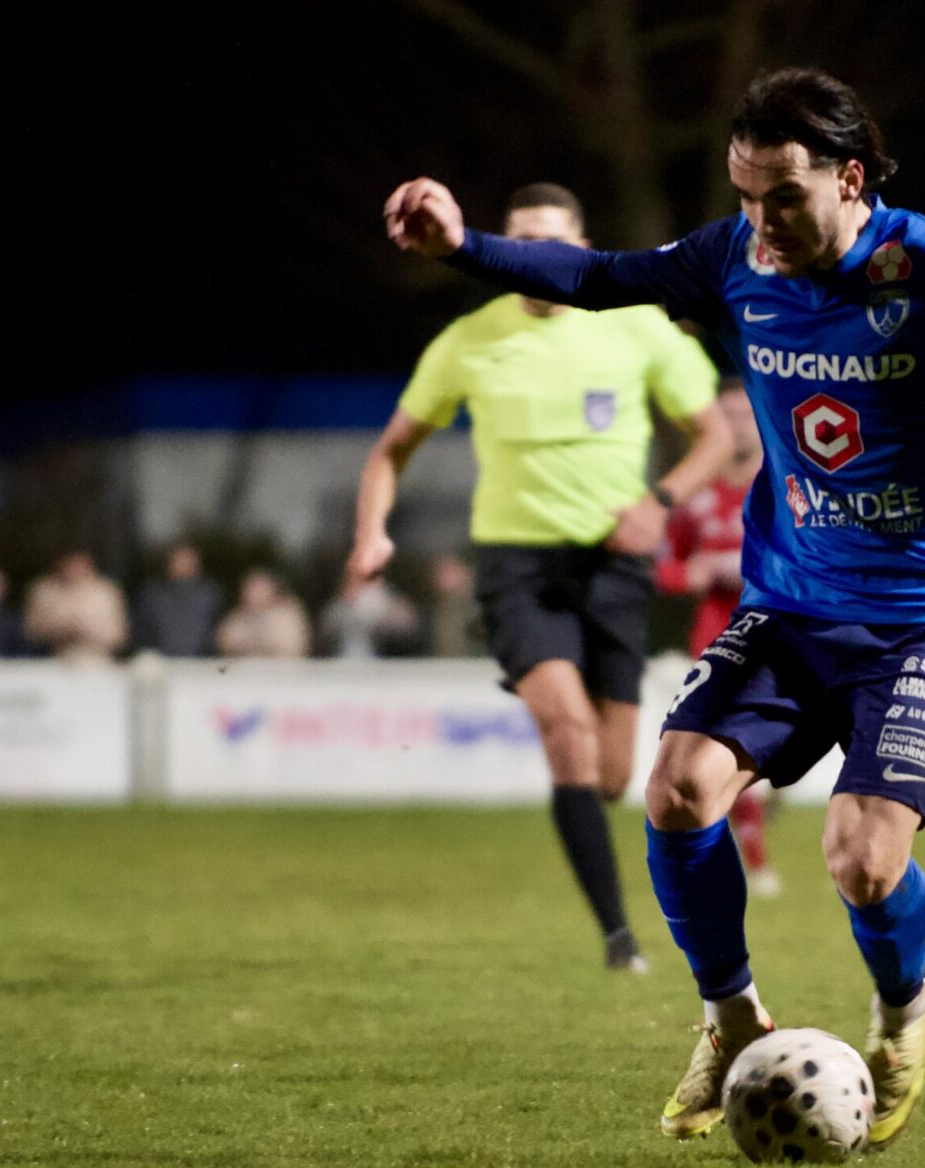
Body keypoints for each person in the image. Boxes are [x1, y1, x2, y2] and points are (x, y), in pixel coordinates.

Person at [384, 67, 925, 1147]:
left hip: (924, 612)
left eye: (781, 194)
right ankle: (728, 1013)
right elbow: (597, 272)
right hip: (790, 602)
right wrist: (463, 246)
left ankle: (903, 1009)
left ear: (848, 178)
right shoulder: (733, 255)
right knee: (676, 790)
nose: (760, 221)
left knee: (861, 859)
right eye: (743, 194)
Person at [351, 182, 734, 975]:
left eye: (551, 244)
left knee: (616, 774)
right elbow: (390, 450)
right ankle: (618, 939)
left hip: (615, 566)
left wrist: (660, 504)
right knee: (567, 733)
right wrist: (371, 534)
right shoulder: (468, 339)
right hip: (516, 562)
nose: (534, 259)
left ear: (582, 250)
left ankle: (548, 698)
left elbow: (715, 441)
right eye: (519, 241)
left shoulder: (638, 328)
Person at [657, 380, 780, 896]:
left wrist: (742, 569)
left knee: (759, 761)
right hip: (716, 637)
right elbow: (666, 570)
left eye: (744, 415)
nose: (735, 426)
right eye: (724, 417)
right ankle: (755, 865)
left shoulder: (782, 485)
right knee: (715, 749)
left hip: (780, 632)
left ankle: (756, 809)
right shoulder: (697, 495)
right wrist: (697, 575)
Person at [24, 550, 127, 663]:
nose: (74, 569)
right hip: (49, 659)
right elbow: (30, 631)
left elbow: (119, 636)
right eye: (70, 563)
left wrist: (87, 630)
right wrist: (62, 629)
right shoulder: (43, 590)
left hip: (97, 661)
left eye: (79, 564)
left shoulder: (107, 591)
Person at [133, 543, 223, 658]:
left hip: (202, 665)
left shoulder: (210, 594)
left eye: (188, 561)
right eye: (180, 560)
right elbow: (140, 633)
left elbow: (219, 632)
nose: (184, 565)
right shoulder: (152, 595)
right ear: (169, 563)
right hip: (162, 664)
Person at [319, 572, 420, 659]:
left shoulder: (381, 598)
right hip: (343, 660)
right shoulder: (340, 605)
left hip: (375, 662)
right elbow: (326, 629)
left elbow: (408, 624)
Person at [216, 569, 311, 659]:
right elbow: (224, 643)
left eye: (259, 588)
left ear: (271, 590)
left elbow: (293, 647)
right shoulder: (238, 615)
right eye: (250, 588)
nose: (254, 593)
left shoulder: (288, 613)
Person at [427, 553, 484, 658]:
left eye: (451, 571)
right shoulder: (437, 611)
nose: (443, 577)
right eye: (440, 572)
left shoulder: (479, 605)